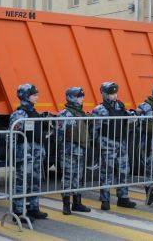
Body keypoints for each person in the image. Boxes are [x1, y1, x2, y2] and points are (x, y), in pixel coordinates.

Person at [92, 82, 137, 211]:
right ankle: (105, 200)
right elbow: (95, 129)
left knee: (124, 170)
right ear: (105, 94)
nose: (114, 95)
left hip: (121, 142)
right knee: (107, 172)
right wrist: (98, 144)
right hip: (107, 143)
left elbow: (127, 117)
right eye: (111, 93)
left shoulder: (120, 105)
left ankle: (123, 198)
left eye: (115, 93)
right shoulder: (99, 110)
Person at [9, 84, 48, 221]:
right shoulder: (19, 114)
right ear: (26, 96)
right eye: (34, 94)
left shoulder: (33, 112)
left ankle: (33, 208)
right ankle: (18, 212)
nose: (37, 96)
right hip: (24, 152)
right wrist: (13, 154)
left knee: (35, 181)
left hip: (35, 153)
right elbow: (12, 135)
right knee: (22, 182)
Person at [57, 87, 91, 215]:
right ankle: (66, 205)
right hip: (69, 150)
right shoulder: (65, 113)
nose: (82, 98)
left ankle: (77, 203)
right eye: (79, 96)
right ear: (71, 98)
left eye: (82, 96)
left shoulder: (80, 112)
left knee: (78, 176)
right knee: (68, 176)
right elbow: (59, 134)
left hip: (80, 149)